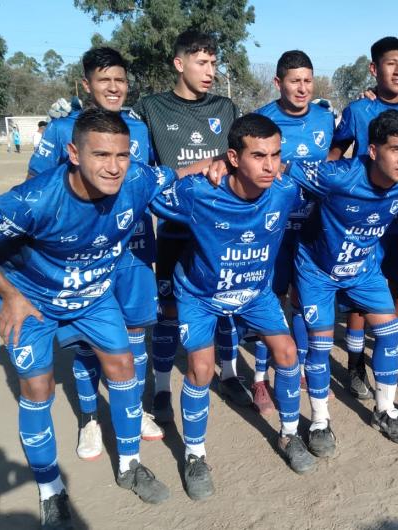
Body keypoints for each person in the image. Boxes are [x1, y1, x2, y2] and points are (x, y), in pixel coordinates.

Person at [0, 109, 177, 528]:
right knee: (37, 388)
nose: (113, 167)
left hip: (91, 297)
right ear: (73, 153)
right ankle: (50, 490)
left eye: (122, 155)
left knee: (123, 363)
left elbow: (176, 173)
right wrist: (9, 294)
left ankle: (129, 465)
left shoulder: (137, 180)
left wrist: (214, 165)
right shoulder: (34, 199)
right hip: (30, 300)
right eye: (101, 154)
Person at [149, 114, 317, 499]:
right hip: (199, 295)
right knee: (201, 367)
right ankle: (194, 456)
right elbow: (146, 188)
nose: (270, 165)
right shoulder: (199, 192)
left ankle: (289, 436)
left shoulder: (286, 190)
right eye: (258, 156)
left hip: (254, 292)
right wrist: (199, 164)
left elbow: (331, 182)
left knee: (288, 352)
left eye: (275, 155)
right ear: (233, 157)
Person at [28, 46, 164, 460]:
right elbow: (37, 187)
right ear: (85, 85)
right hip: (83, 257)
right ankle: (90, 419)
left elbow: (153, 181)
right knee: (87, 342)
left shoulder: (139, 130)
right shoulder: (62, 130)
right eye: (104, 80)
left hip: (135, 253)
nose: (113, 88)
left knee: (137, 334)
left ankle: (135, 409)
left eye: (120, 80)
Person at [291, 110, 398, 455]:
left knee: (390, 332)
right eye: (396, 149)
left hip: (363, 268)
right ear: (374, 151)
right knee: (319, 345)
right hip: (317, 270)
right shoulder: (337, 176)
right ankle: (319, 420)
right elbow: (279, 169)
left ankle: (385, 409)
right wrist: (219, 165)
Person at [133, 30, 241, 421]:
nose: (210, 70)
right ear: (179, 64)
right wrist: (193, 167)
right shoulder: (151, 108)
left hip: (219, 231)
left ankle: (229, 374)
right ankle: (161, 387)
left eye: (213, 62)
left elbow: (237, 159)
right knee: (169, 311)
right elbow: (142, 174)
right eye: (201, 62)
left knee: (226, 305)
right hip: (175, 229)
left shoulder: (226, 107)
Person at [330, 36, 398, 401]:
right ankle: (355, 362)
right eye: (391, 63)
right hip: (367, 219)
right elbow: (337, 152)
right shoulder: (359, 110)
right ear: (375, 69)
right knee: (362, 297)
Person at [250, 50, 336, 414]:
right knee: (269, 299)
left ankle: (298, 366)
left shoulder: (324, 117)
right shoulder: (262, 120)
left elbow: (336, 153)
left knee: (303, 298)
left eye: (307, 81)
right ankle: (258, 378)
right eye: (294, 81)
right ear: (278, 83)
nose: (302, 88)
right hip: (274, 228)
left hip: (315, 226)